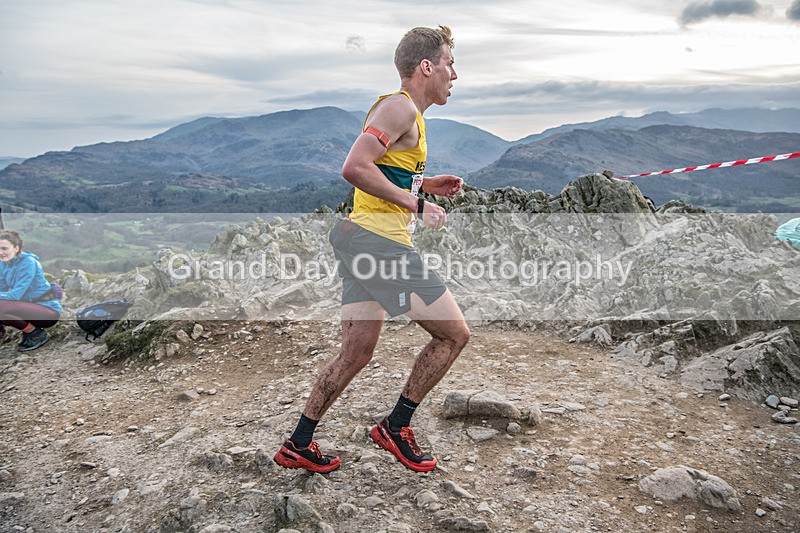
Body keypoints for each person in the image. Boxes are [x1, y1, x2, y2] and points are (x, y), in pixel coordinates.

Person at [273, 25, 470, 474]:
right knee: (454, 334)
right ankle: (395, 427)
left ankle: (298, 443)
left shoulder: (408, 115)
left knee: (357, 352)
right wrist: (417, 204)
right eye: (449, 64)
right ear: (426, 67)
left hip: (356, 238)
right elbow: (354, 166)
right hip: (380, 243)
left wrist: (426, 184)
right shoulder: (400, 107)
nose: (454, 74)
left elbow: (384, 168)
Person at [0, 230, 62, 351]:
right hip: (27, 307)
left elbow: (16, 295)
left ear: (16, 248)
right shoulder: (3, 264)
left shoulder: (29, 263)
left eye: (4, 248)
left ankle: (35, 334)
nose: (1, 252)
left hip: (47, 311)